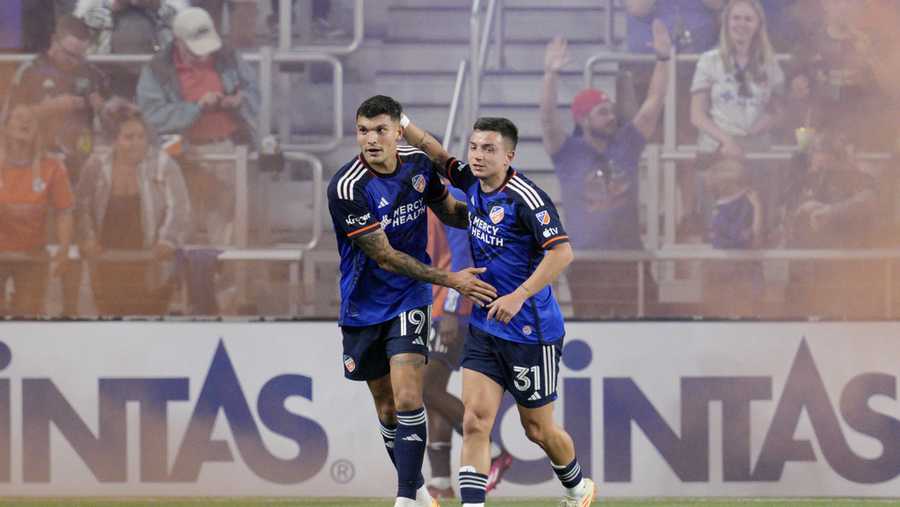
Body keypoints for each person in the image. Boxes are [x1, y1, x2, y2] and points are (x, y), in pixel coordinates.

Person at [402, 116, 594, 507]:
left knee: (537, 430)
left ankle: (578, 489)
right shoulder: (472, 182)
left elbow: (563, 252)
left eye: (488, 149)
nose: (478, 155)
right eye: (474, 147)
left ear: (509, 156)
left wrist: (519, 295)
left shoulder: (527, 198)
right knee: (474, 421)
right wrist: (401, 122)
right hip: (486, 326)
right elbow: (438, 154)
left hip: (531, 331)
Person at [326, 95, 498, 507]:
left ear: (397, 132)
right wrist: (452, 280)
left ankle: (405, 500)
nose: (371, 139)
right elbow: (384, 255)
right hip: (363, 307)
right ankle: (418, 487)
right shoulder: (347, 187)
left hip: (409, 297)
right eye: (363, 131)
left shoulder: (418, 167)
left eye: (380, 130)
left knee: (408, 396)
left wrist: (494, 214)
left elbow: (450, 211)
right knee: (386, 405)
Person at [540, 20, 671, 318]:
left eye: (611, 110)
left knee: (648, 331)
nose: (611, 116)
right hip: (588, 263)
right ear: (584, 119)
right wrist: (550, 75)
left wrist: (663, 60)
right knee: (598, 335)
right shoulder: (567, 152)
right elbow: (548, 119)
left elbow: (653, 104)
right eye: (602, 112)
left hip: (629, 259)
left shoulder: (626, 143)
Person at [137, 6, 260, 245]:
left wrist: (238, 100)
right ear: (178, 42)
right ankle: (179, 278)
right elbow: (153, 115)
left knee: (226, 222)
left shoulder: (228, 57)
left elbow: (254, 94)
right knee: (180, 218)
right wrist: (197, 108)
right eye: (195, 50)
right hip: (181, 152)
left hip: (226, 147)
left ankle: (227, 278)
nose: (203, 55)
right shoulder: (157, 70)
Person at [422, 196, 512, 500]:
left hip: (450, 309)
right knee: (433, 392)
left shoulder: (450, 200)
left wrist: (450, 309)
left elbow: (464, 256)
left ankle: (493, 451)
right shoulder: (417, 200)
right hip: (432, 304)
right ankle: (441, 482)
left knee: (425, 388)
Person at [75, 107, 191, 316]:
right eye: (129, 137)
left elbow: (179, 207)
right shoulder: (95, 165)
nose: (136, 143)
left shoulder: (164, 164)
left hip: (152, 264)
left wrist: (168, 240)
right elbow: (82, 207)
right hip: (106, 264)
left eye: (141, 137)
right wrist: (88, 239)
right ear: (115, 140)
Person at [690, 0, 785, 239]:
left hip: (757, 148)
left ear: (758, 25)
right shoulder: (709, 60)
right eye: (736, 18)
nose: (741, 24)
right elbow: (697, 114)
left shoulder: (769, 63)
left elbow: (780, 111)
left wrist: (768, 122)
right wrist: (727, 141)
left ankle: (755, 273)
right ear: (726, 22)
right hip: (719, 148)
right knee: (719, 228)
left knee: (756, 226)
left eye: (748, 19)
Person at [784, 131, 879, 319]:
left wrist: (831, 210)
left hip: (845, 265)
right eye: (811, 151)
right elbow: (790, 213)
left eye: (817, 151)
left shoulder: (858, 178)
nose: (812, 156)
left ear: (833, 154)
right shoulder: (804, 180)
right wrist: (803, 211)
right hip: (807, 267)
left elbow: (868, 200)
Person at [0, 104, 74, 316]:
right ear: (5, 128)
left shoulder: (52, 166)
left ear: (37, 130)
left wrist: (64, 247)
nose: (25, 123)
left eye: (31, 120)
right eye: (19, 118)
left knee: (29, 317)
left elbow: (64, 211)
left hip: (32, 257)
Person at [702, 157, 763, 317]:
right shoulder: (725, 213)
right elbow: (753, 241)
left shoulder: (730, 208)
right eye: (741, 184)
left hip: (738, 271)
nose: (747, 189)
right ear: (729, 187)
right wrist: (758, 208)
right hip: (733, 274)